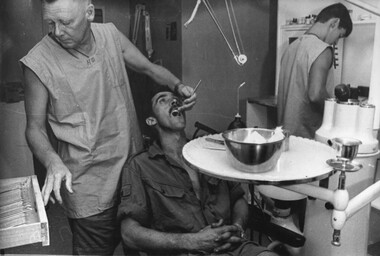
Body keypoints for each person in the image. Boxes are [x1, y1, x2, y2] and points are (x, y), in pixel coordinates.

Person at [20, 0, 196, 255]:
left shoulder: (110, 35)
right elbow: (33, 128)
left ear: (89, 13)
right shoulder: (38, 61)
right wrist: (52, 161)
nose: (57, 31)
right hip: (90, 185)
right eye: (51, 23)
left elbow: (149, 68)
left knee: (136, 246)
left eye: (66, 22)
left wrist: (178, 86)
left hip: (131, 174)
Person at [117, 87, 280, 256]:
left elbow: (238, 198)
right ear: (151, 120)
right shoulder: (139, 166)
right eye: (162, 100)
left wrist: (238, 228)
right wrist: (192, 242)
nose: (174, 101)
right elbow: (129, 234)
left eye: (175, 99)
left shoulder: (209, 152)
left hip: (230, 247)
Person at [277, 3, 352, 139]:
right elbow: (315, 94)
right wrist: (338, 114)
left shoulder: (291, 48)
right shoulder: (322, 49)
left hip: (284, 135)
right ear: (334, 23)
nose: (336, 42)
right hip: (306, 138)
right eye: (339, 36)